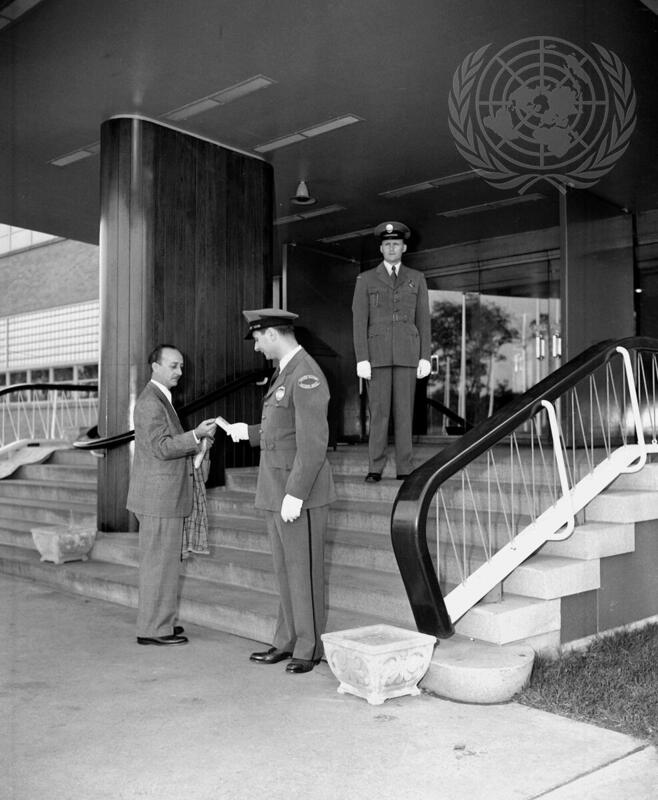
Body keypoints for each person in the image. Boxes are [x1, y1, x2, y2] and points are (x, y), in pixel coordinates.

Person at [223, 308, 336, 674]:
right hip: (277, 487)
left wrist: (297, 492)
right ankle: (287, 639)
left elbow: (314, 442)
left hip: (296, 491)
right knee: (286, 571)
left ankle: (308, 646)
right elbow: (282, 427)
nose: (256, 347)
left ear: (272, 334)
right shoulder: (287, 371)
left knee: (302, 571)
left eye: (257, 338)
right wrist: (247, 432)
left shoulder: (305, 375)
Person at [126, 344, 217, 646]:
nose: (179, 372)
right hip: (158, 499)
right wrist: (195, 436)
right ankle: (153, 629)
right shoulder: (151, 402)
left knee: (164, 565)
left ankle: (160, 621)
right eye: (173, 366)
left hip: (162, 497)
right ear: (155, 366)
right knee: (158, 566)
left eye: (180, 366)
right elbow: (162, 447)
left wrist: (197, 442)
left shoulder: (160, 399)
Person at [351, 221, 431, 482]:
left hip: (408, 353)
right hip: (378, 355)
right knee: (379, 413)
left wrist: (425, 356)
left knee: (404, 413)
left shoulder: (416, 278)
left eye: (396, 243)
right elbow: (359, 319)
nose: (392, 247)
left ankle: (404, 468)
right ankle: (375, 467)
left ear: (404, 247)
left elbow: (423, 319)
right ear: (381, 248)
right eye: (387, 244)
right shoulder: (366, 279)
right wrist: (362, 357)